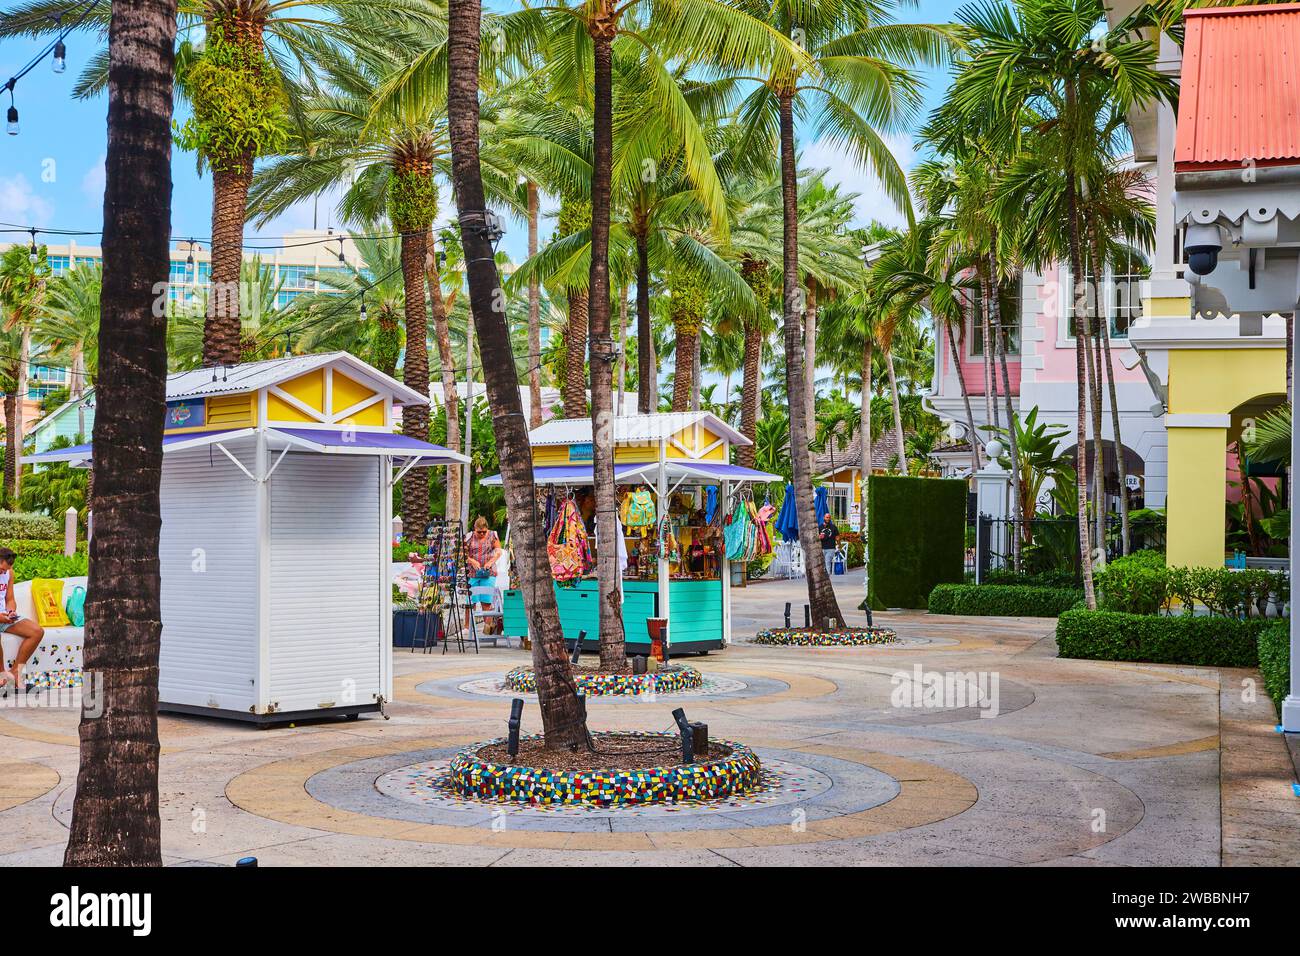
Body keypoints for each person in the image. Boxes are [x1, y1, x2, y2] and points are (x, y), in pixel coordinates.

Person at [0, 547, 45, 691]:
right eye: (1, 570)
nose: (4, 572)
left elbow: (10, 599)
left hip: (4, 616)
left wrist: (11, 611)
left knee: (37, 631)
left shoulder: (9, 573)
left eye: (6, 570)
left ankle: (15, 673)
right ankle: (2, 677)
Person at [464, 517, 502, 630]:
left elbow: (498, 551)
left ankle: (487, 628)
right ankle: (467, 627)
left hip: (488, 573)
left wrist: (491, 561)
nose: (481, 534)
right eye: (479, 532)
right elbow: (462, 553)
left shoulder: (492, 535)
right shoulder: (469, 537)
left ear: (487, 529)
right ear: (474, 529)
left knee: (486, 601)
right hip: (472, 573)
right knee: (470, 602)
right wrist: (472, 561)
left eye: (484, 532)